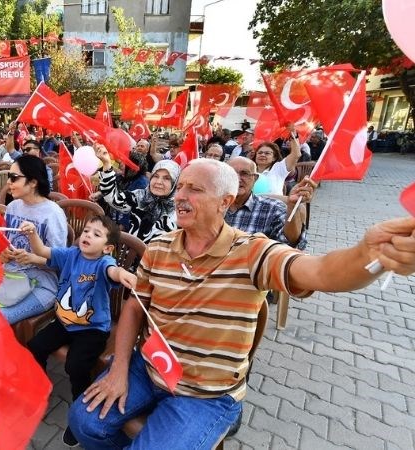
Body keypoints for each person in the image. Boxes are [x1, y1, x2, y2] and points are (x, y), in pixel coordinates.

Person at [68, 158, 415, 449]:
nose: (181, 195)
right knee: (83, 423)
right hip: (149, 370)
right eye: (182, 186)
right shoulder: (159, 248)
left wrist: (368, 254)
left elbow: (322, 272)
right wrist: (118, 370)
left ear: (226, 201)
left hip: (207, 394)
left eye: (195, 189)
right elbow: (133, 306)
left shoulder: (253, 252)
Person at [0, 154, 68, 419]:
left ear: (33, 182)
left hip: (42, 285)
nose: (7, 182)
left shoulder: (53, 214)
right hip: (11, 277)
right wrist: (5, 255)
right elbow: (5, 246)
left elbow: (60, 264)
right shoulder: (13, 207)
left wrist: (34, 258)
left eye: (13, 177)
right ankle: (1, 370)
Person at [22, 215, 137, 447]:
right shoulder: (70, 254)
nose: (88, 236)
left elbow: (113, 272)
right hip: (64, 322)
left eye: (96, 234)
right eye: (86, 231)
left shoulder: (104, 263)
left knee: (76, 365)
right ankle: (40, 389)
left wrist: (123, 274)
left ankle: (79, 414)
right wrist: (32, 233)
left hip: (93, 329)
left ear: (107, 247)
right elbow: (42, 250)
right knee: (35, 346)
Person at [227, 156, 314, 249]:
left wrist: (292, 206)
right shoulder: (213, 203)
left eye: (244, 173)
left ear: (255, 179)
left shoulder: (272, 208)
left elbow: (291, 243)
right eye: (231, 173)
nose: (237, 178)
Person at [97, 145, 178, 244]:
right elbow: (113, 198)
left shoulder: (179, 211)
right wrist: (106, 162)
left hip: (157, 258)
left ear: (175, 183)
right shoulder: (140, 196)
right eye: (155, 176)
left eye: (166, 178)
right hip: (129, 256)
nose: (159, 182)